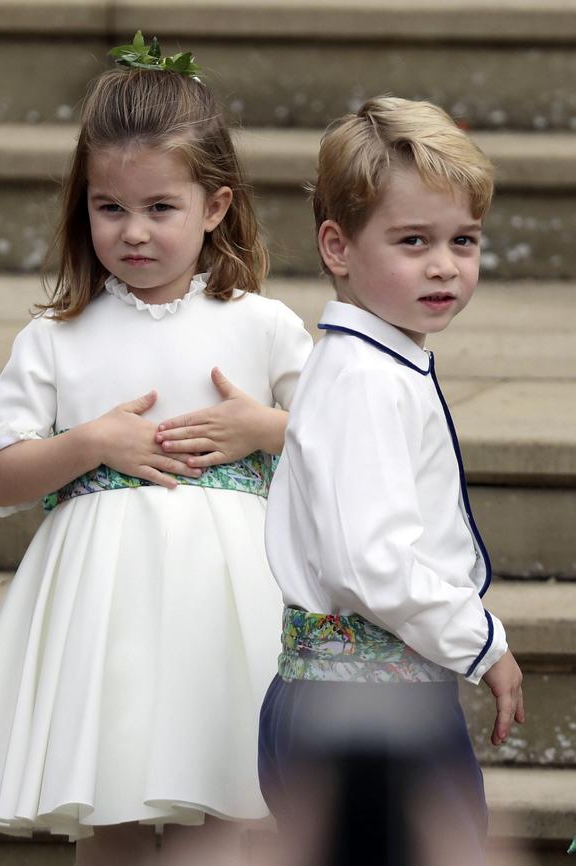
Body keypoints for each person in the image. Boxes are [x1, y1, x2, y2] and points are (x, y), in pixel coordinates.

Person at [0, 34, 312, 863]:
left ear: (214, 206)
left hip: (229, 607)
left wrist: (265, 430)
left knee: (224, 802)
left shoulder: (260, 325)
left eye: (160, 209)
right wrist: (90, 441)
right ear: (84, 205)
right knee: (112, 807)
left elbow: (349, 444)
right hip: (104, 612)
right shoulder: (57, 338)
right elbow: (1, 476)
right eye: (110, 209)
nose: (133, 232)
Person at [259, 97, 525, 866]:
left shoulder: (374, 366)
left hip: (369, 694)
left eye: (463, 240)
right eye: (414, 241)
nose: (444, 264)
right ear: (337, 247)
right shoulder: (364, 381)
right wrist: (482, 642)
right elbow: (371, 560)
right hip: (364, 707)